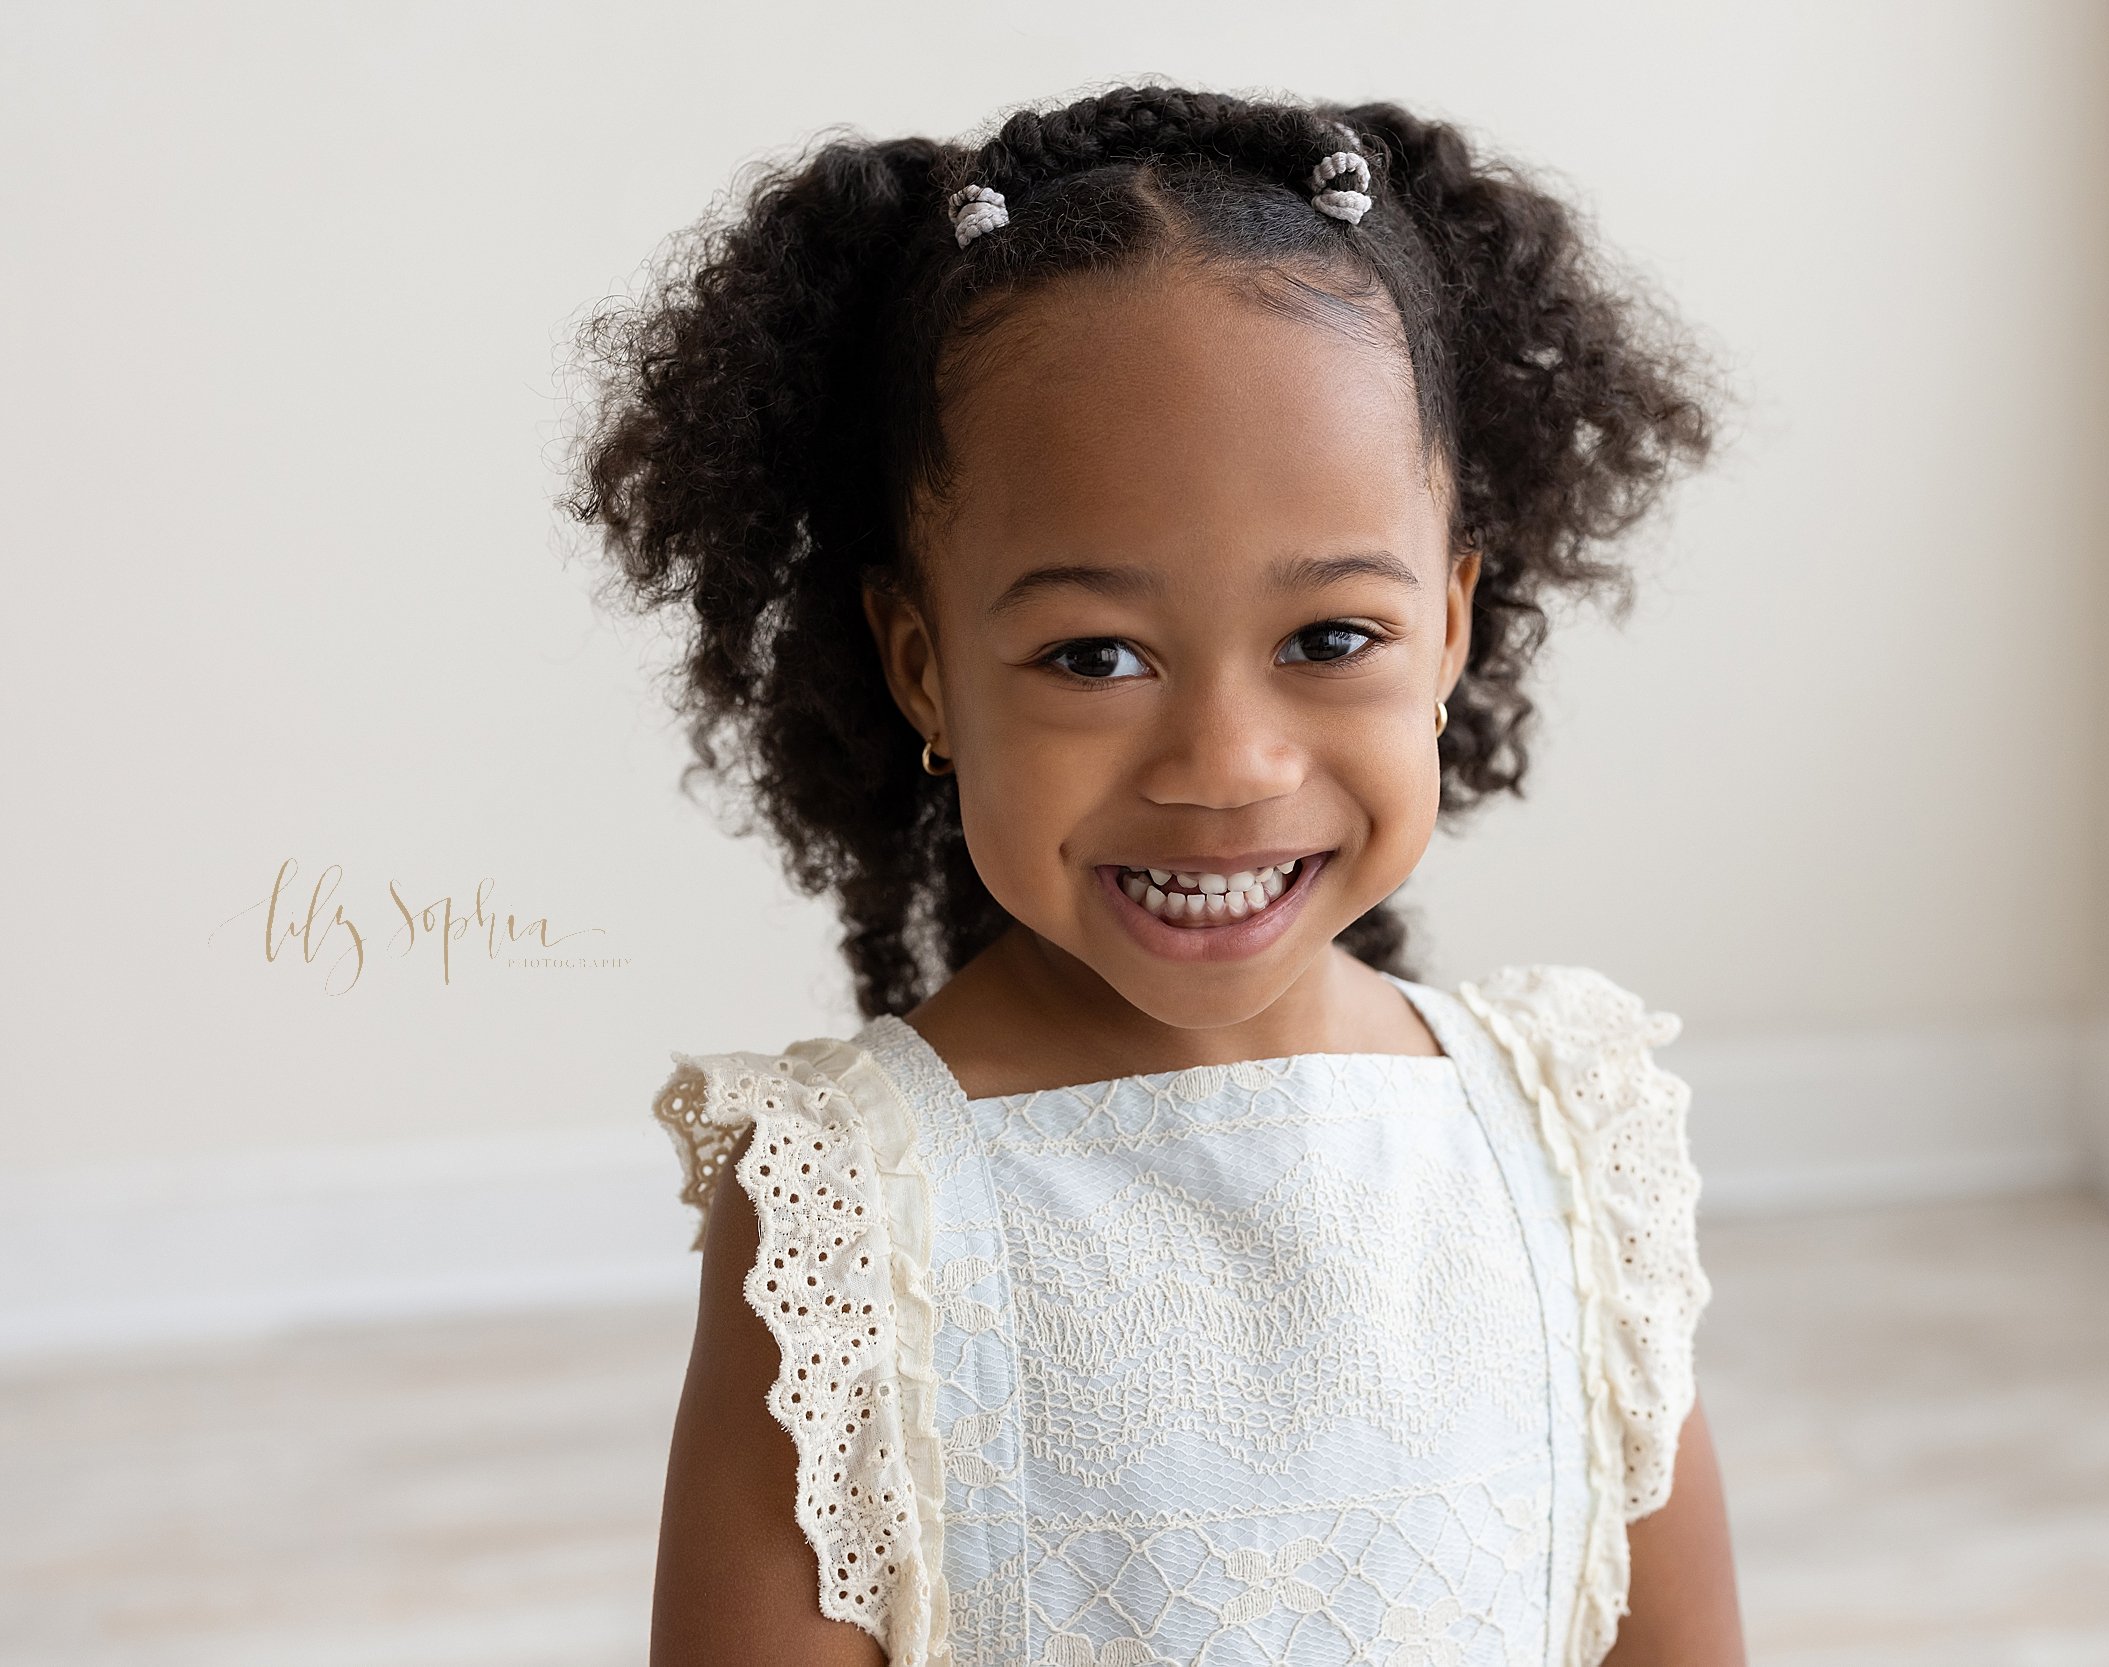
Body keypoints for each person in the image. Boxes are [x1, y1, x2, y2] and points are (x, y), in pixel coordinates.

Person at [570, 83, 1741, 1667]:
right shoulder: (847, 1213)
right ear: (922, 667)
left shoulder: (1566, 1142)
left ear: (1449, 627)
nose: (1228, 763)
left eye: (1332, 636)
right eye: (1094, 653)